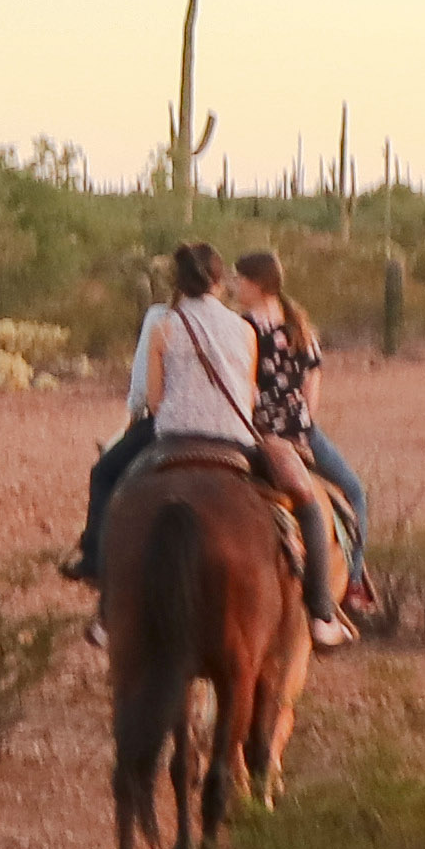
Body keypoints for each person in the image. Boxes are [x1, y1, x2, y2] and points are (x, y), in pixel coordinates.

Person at [72, 239, 339, 608]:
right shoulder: (244, 330)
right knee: (304, 496)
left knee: (105, 474)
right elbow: (247, 394)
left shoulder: (163, 325)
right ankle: (322, 606)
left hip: (174, 432)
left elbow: (154, 399)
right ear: (217, 281)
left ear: (180, 282)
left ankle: (96, 567)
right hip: (235, 436)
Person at [230, 247, 382, 645]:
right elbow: (313, 380)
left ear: (256, 284)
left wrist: (266, 427)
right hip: (302, 431)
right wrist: (302, 428)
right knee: (353, 493)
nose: (234, 286)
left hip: (259, 433)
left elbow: (243, 385)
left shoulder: (243, 329)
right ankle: (350, 585)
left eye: (239, 280)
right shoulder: (299, 323)